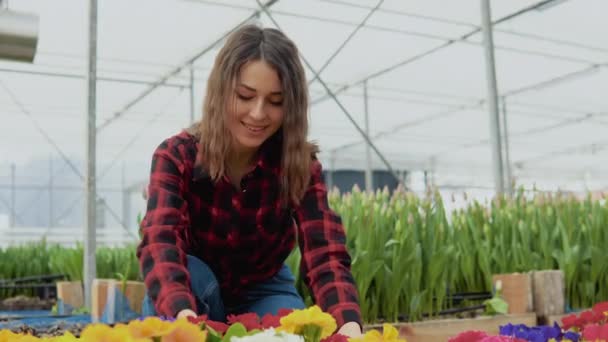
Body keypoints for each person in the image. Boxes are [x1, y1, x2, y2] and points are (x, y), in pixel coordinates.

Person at [136, 24, 362, 337]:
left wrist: (349, 327)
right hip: (194, 284)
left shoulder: (297, 166)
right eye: (245, 96)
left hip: (263, 287)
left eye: (275, 101)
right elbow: (160, 239)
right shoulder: (177, 155)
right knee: (192, 284)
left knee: (290, 333)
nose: (258, 113)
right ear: (221, 91)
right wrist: (181, 318)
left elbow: (324, 252)